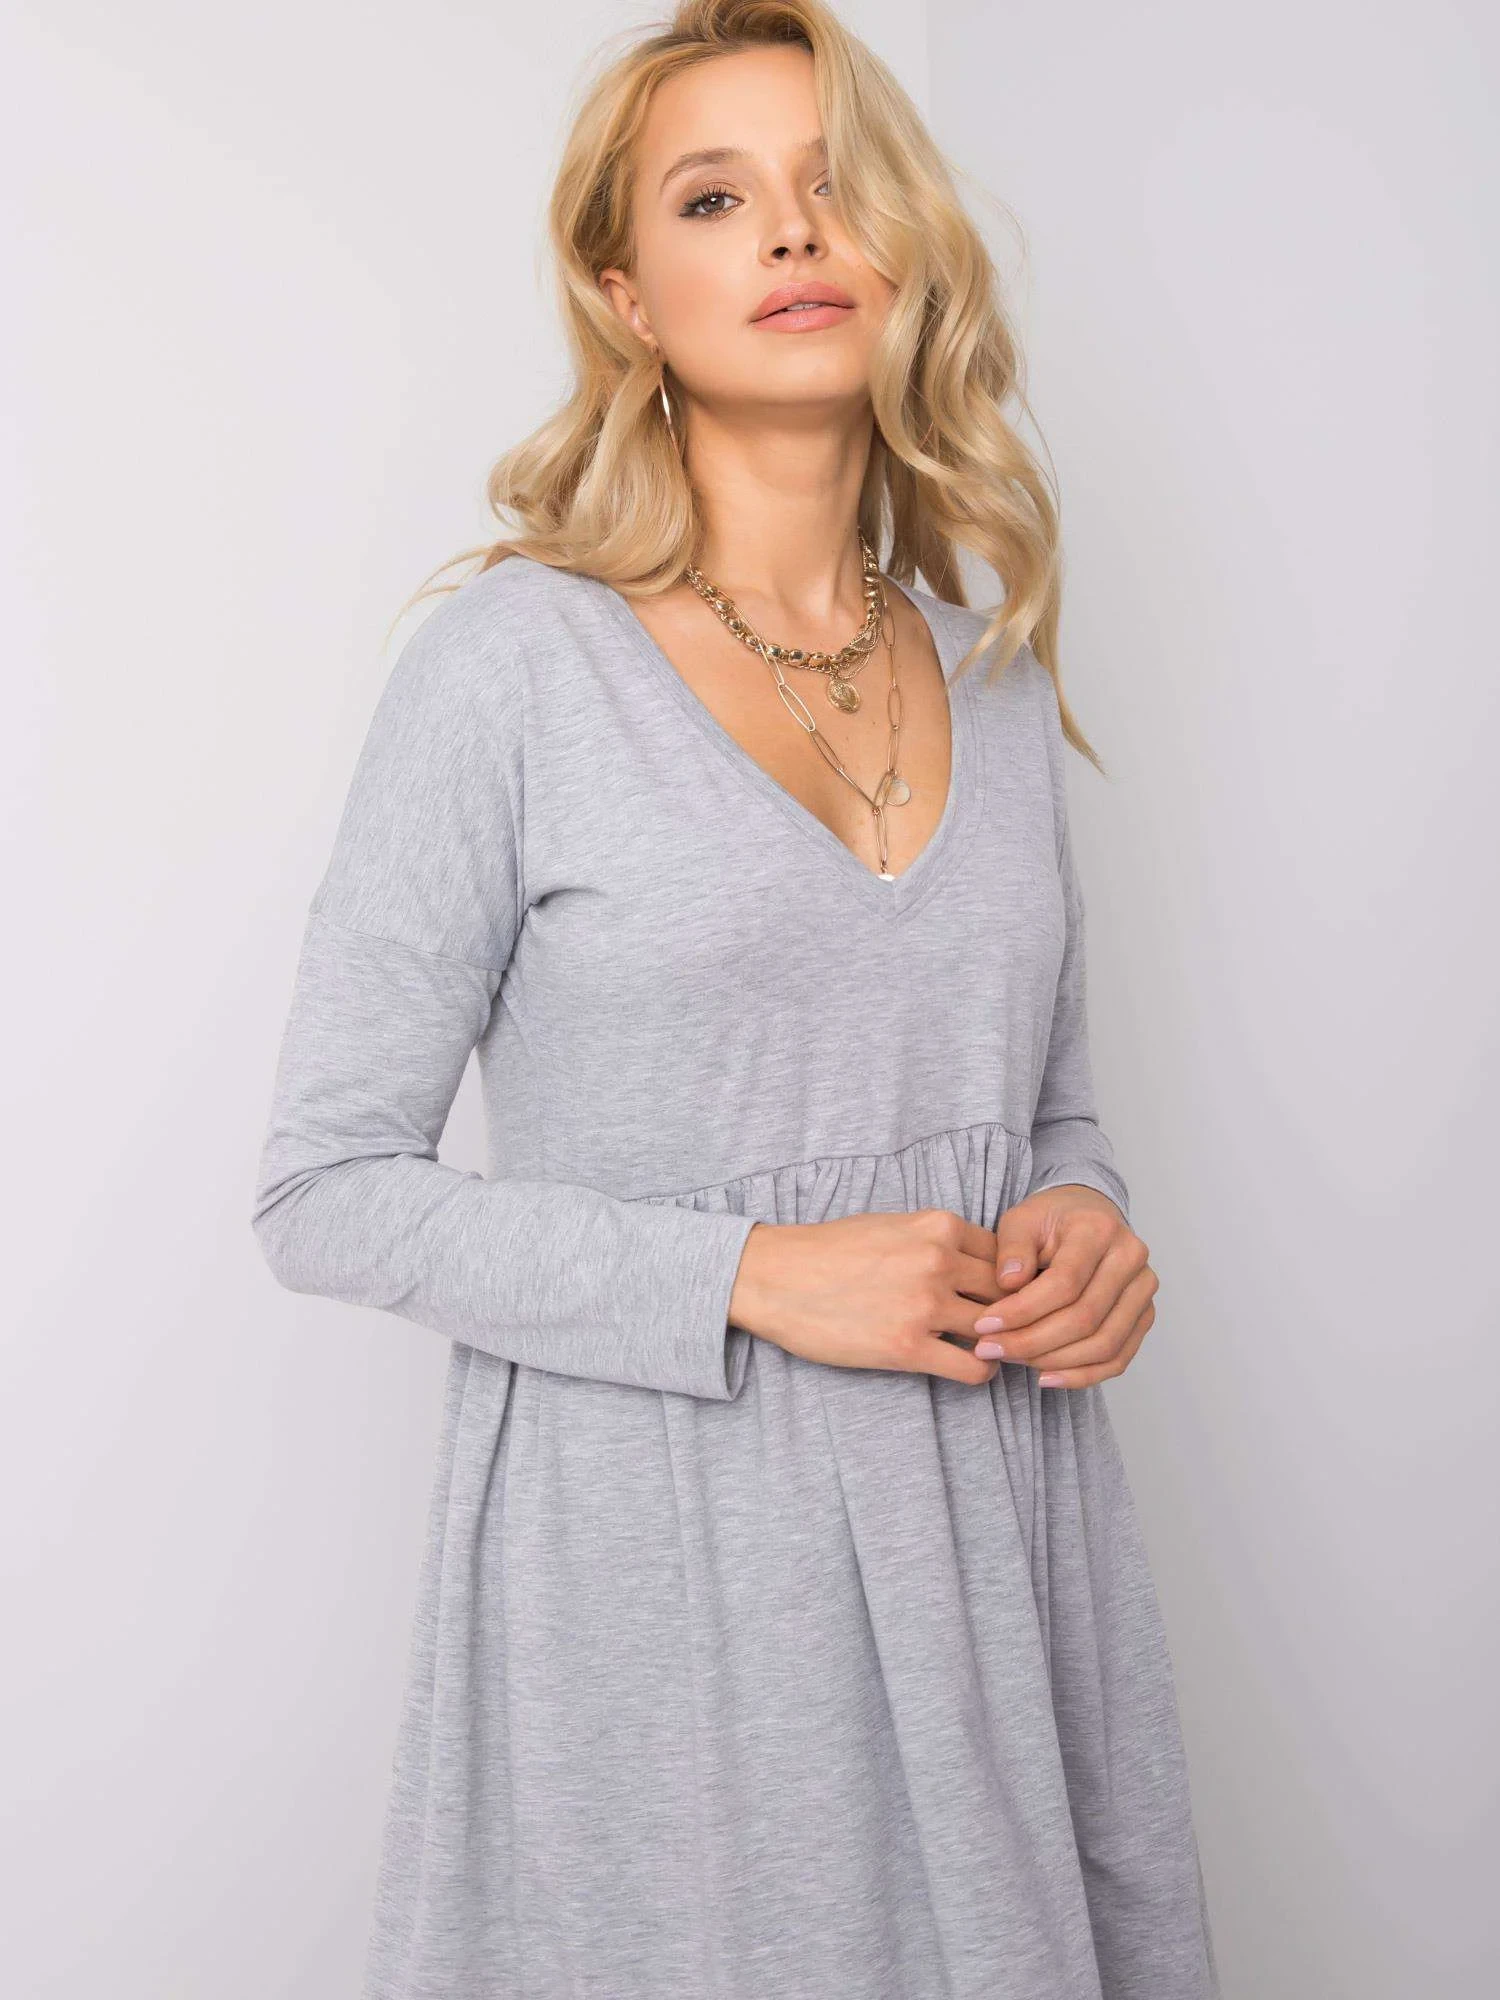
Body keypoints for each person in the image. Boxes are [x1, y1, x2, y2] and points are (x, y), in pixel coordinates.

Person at [250, 3, 1221, 1994]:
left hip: (998, 1555)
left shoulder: (998, 679)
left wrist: (1089, 1223)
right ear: (625, 293)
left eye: (833, 182)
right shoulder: (511, 670)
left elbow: (1045, 1112)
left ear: (904, 245)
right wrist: (755, 1275)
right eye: (714, 198)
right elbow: (323, 1188)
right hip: (667, 1587)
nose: (791, 231)